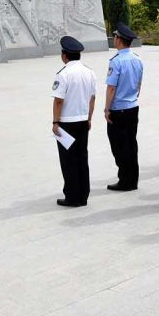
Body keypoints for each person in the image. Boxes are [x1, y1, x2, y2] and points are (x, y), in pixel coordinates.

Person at [51, 36, 97, 207]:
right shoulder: (89, 72)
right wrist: (89, 118)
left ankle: (72, 196)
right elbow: (92, 98)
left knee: (68, 160)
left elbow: (58, 101)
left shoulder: (63, 74)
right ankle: (83, 194)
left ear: (64, 55)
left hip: (66, 123)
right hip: (83, 121)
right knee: (82, 158)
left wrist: (55, 122)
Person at [104, 23, 143, 192]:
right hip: (132, 106)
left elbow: (111, 87)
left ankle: (125, 180)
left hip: (118, 109)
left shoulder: (116, 61)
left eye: (115, 37)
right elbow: (139, 83)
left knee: (119, 146)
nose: (114, 39)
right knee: (131, 144)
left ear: (119, 40)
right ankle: (132, 179)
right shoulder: (137, 59)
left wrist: (107, 109)